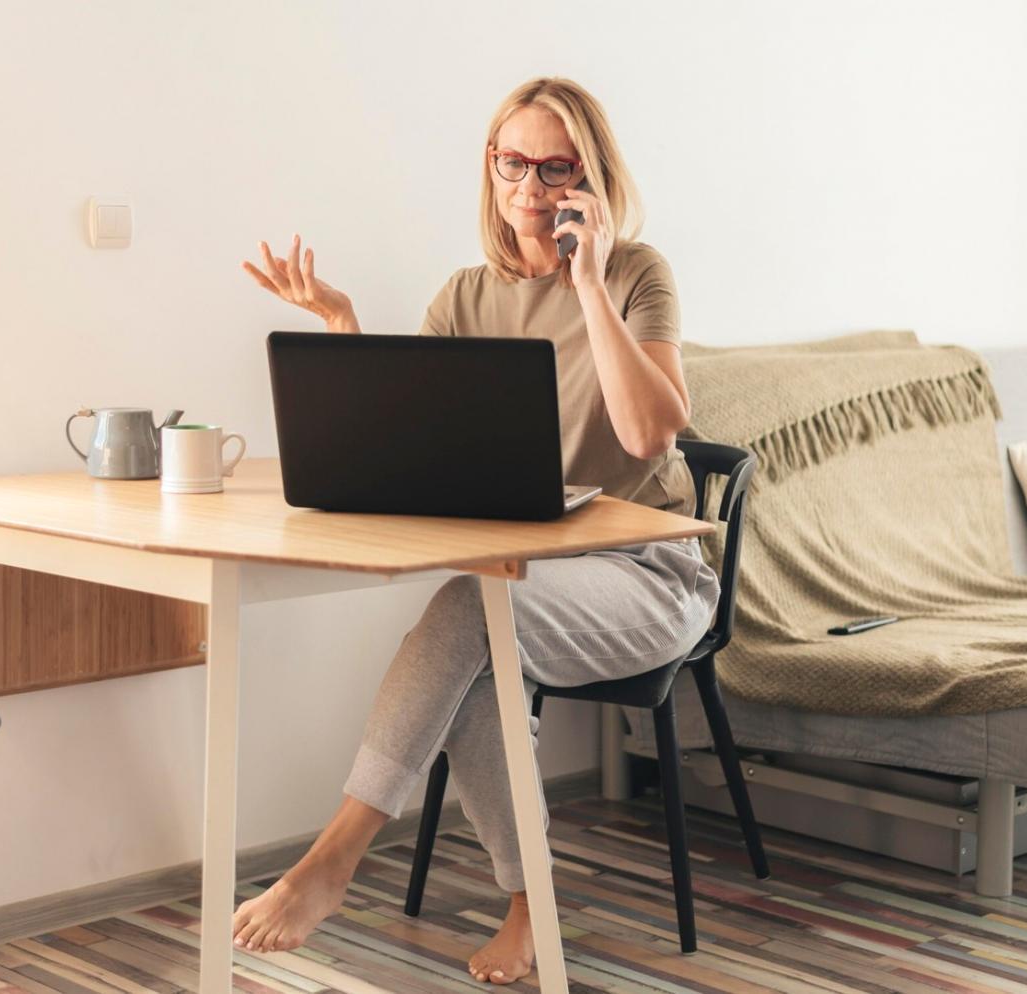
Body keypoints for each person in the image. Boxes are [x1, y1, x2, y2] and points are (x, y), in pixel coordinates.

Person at [235, 76, 719, 986]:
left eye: (554, 167)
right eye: (511, 164)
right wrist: (343, 331)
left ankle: (333, 859)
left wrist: (587, 287)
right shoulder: (467, 294)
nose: (530, 188)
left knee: (471, 615)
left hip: (653, 570)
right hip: (529, 572)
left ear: (590, 176)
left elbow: (651, 433)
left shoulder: (635, 275)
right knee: (479, 631)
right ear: (489, 170)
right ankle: (530, 904)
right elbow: (414, 447)